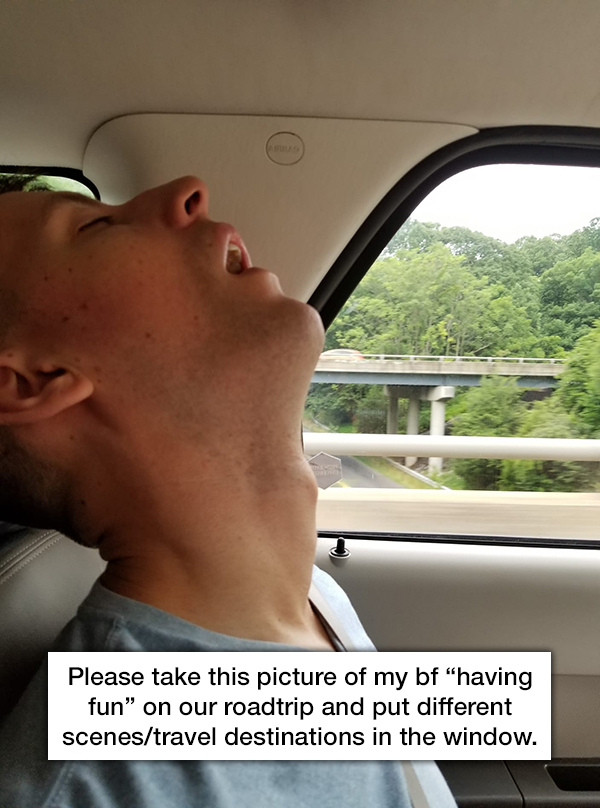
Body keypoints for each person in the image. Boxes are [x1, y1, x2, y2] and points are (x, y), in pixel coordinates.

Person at [0, 174, 456, 806]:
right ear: (34, 380)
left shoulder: (311, 598)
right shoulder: (101, 788)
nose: (188, 190)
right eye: (94, 225)